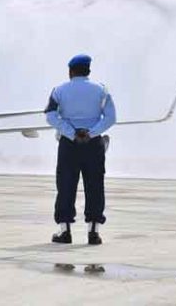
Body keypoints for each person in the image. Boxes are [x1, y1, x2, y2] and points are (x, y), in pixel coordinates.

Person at [45, 54, 116, 245]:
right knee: (95, 186)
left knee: (66, 186)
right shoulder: (101, 90)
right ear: (88, 71)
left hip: (69, 144)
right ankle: (93, 232)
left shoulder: (59, 90)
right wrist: (91, 133)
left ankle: (65, 231)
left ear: (71, 71)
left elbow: (50, 116)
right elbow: (110, 118)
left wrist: (71, 133)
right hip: (93, 145)